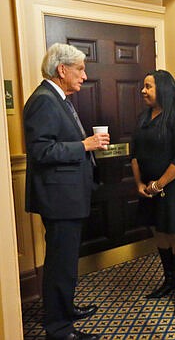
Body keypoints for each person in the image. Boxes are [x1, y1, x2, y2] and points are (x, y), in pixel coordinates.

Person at [24, 43, 110, 340]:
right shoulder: (44, 100)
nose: (85, 76)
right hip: (59, 199)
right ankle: (59, 329)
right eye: (80, 69)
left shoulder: (57, 98)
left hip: (66, 196)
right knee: (61, 264)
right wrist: (83, 145)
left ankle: (65, 309)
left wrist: (85, 145)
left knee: (64, 261)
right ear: (62, 70)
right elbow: (40, 151)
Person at [131, 70, 175, 316]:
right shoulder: (143, 118)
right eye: (143, 86)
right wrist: (140, 184)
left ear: (164, 89)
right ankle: (169, 281)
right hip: (149, 187)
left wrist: (159, 184)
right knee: (158, 230)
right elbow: (135, 154)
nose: (143, 91)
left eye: (148, 86)